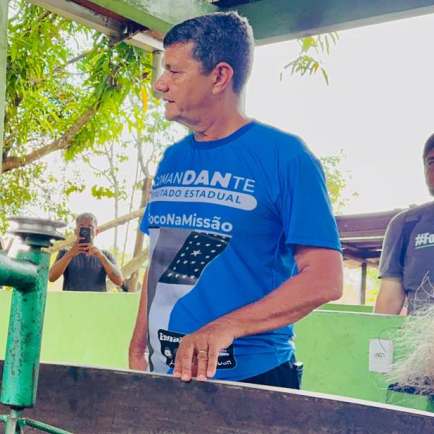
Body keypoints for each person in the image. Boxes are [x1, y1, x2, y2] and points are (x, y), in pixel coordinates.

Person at [127, 12, 343, 388]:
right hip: (168, 377)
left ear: (220, 77)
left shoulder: (285, 156)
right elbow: (161, 259)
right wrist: (138, 342)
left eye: (175, 72)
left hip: (254, 379)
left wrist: (226, 326)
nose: (160, 85)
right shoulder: (171, 159)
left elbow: (325, 279)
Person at [375, 133, 434, 316]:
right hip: (422, 341)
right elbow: (389, 301)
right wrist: (375, 344)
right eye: (431, 162)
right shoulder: (406, 224)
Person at [48, 213, 123, 291]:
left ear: (96, 232)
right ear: (76, 231)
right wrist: (69, 254)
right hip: (71, 302)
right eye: (81, 227)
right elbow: (51, 277)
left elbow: (119, 281)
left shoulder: (105, 255)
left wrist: (101, 257)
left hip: (97, 302)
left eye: (90, 227)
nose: (86, 231)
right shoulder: (65, 252)